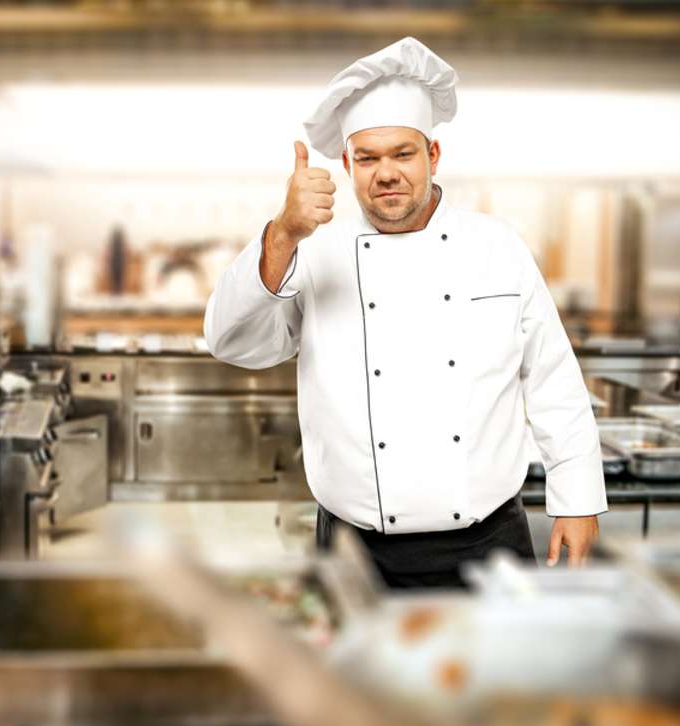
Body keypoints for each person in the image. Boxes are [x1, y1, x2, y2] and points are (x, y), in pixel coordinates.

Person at [203, 37, 606, 589]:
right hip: (354, 549)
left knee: (494, 677)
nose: (385, 173)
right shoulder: (313, 251)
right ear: (346, 164)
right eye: (367, 158)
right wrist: (282, 233)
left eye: (403, 154)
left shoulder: (497, 247)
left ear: (433, 156)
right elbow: (230, 341)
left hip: (488, 544)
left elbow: (552, 380)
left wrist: (578, 498)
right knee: (353, 678)